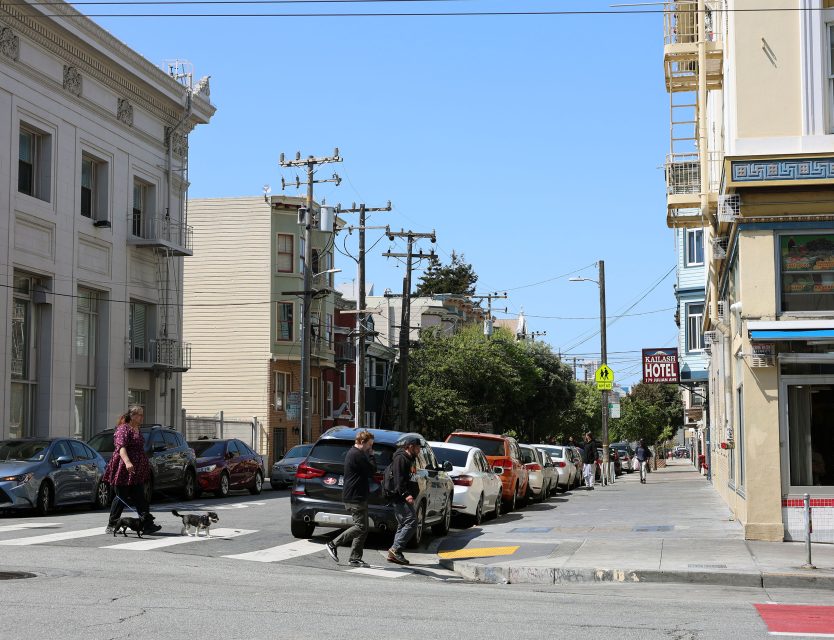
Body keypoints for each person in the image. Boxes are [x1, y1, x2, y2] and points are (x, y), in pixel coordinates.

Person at [103, 406, 161, 534]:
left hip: (136, 471)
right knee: (121, 497)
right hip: (123, 469)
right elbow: (121, 448)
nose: (142, 417)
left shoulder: (137, 429)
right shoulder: (123, 429)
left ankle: (147, 524)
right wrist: (128, 462)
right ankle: (112, 524)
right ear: (132, 415)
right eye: (139, 415)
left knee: (140, 498)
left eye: (142, 414)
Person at [325, 430, 377, 568]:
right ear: (362, 442)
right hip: (355, 497)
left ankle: (354, 557)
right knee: (360, 526)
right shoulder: (357, 455)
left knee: (363, 528)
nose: (370, 448)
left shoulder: (355, 453)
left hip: (358, 495)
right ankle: (333, 544)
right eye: (369, 445)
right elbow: (372, 471)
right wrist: (372, 456)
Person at [385, 434, 421, 565]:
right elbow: (398, 480)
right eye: (418, 448)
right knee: (411, 521)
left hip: (403, 495)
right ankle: (395, 549)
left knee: (403, 524)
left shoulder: (410, 458)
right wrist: (407, 494)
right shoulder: (401, 459)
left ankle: (394, 553)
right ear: (410, 446)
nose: (419, 450)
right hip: (399, 496)